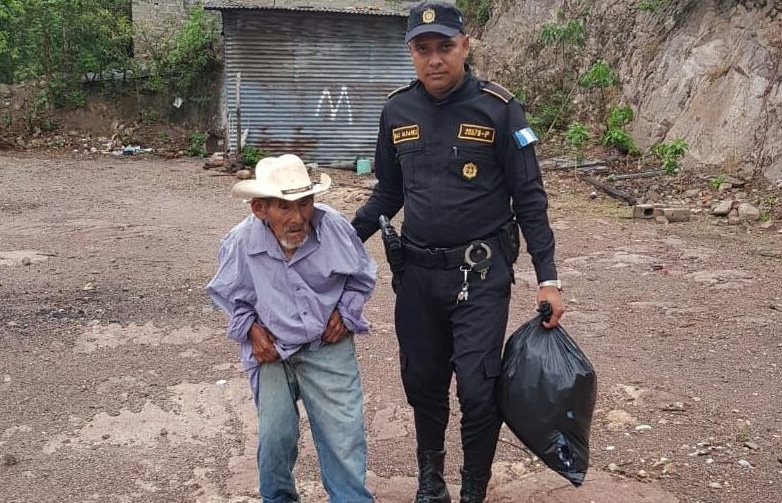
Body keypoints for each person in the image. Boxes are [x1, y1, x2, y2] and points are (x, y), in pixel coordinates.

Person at [351, 2, 565, 502]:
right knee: (423, 384)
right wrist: (333, 239)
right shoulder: (397, 110)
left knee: (477, 386)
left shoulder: (499, 107)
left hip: (481, 275)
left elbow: (530, 199)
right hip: (418, 276)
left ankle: (473, 489)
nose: (434, 59)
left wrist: (549, 278)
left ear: (465, 46)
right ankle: (431, 482)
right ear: (410, 53)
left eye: (444, 47)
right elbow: (388, 193)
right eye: (422, 49)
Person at [207, 154, 377, 503]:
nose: (298, 218)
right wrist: (251, 330)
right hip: (272, 350)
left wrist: (346, 313)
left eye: (305, 203)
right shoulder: (241, 242)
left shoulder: (334, 228)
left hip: (326, 346)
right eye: (284, 207)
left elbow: (362, 277)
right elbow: (230, 295)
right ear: (259, 209)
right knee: (275, 437)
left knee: (342, 437)